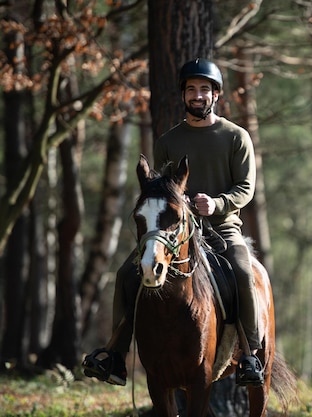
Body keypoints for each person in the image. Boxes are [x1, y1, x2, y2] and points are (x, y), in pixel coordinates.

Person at [82, 58, 264, 386]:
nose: (197, 95)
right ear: (183, 95)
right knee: (127, 273)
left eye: (204, 90)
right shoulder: (168, 141)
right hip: (174, 230)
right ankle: (115, 356)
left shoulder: (236, 137)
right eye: (191, 89)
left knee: (243, 272)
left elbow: (246, 188)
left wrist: (217, 203)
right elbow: (159, 186)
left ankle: (251, 356)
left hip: (222, 228)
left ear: (215, 95)